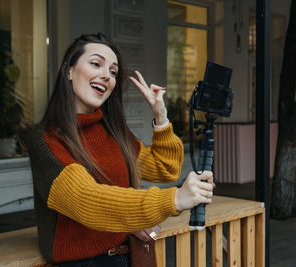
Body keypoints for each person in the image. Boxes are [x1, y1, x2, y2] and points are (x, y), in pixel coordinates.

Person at [24, 33, 214, 267]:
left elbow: (165, 169)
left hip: (129, 256)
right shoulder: (46, 140)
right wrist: (174, 198)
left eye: (113, 72)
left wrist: (161, 116)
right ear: (69, 71)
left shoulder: (113, 132)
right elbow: (86, 201)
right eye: (96, 64)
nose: (106, 75)